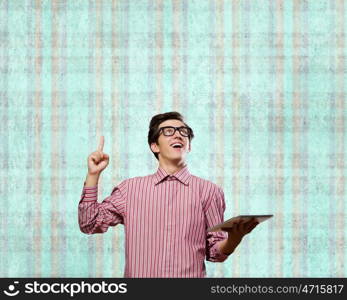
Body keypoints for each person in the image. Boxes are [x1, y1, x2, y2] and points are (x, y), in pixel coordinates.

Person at [78, 111, 259, 277]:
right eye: (168, 131)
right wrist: (93, 174)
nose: (178, 134)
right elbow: (89, 223)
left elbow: (215, 253)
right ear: (154, 146)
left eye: (183, 131)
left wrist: (235, 238)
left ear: (189, 146)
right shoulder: (129, 190)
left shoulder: (209, 191)